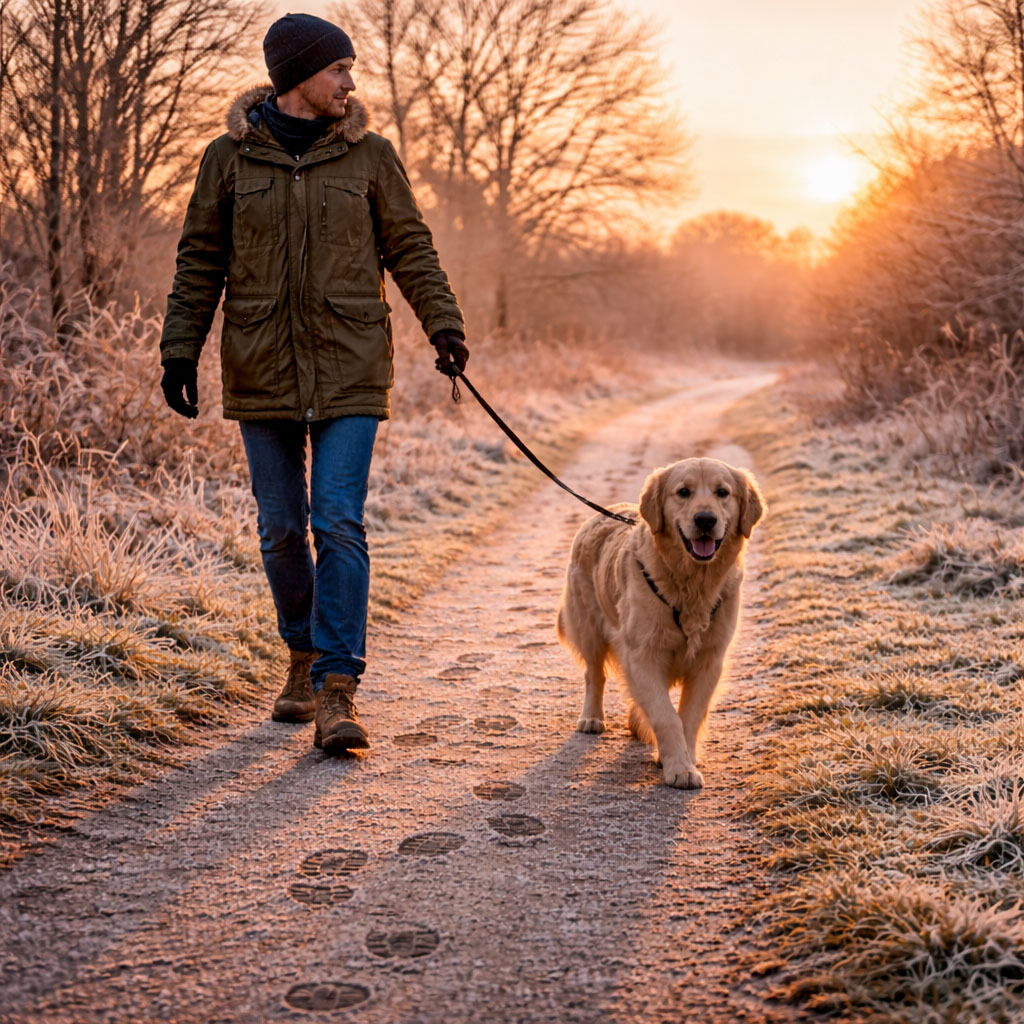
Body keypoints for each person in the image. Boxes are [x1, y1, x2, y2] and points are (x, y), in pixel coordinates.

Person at [158, 13, 468, 755]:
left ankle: (336, 686)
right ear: (297, 75)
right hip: (261, 362)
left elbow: (411, 247)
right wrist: (179, 352)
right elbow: (200, 260)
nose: (350, 83)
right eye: (338, 69)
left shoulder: (371, 157)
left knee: (337, 519)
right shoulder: (227, 160)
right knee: (280, 527)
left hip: (350, 364)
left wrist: (444, 327)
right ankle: (299, 655)